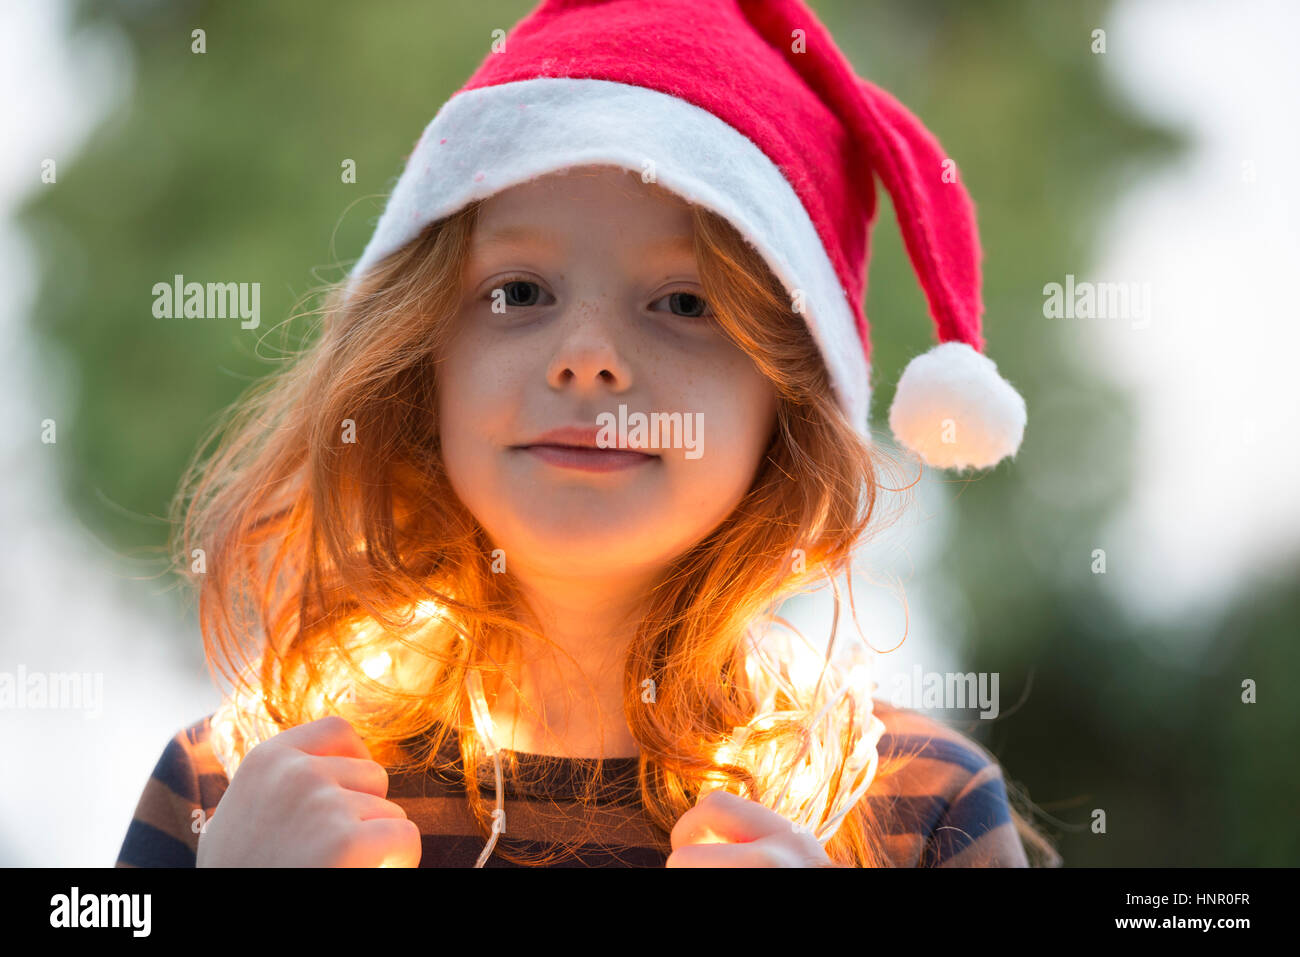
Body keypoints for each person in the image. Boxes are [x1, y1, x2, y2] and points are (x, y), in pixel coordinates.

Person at [116, 0, 1056, 868]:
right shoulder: (237, 790)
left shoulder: (917, 809)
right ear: (421, 355)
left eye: (686, 302)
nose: (588, 359)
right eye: (517, 291)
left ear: (791, 394)